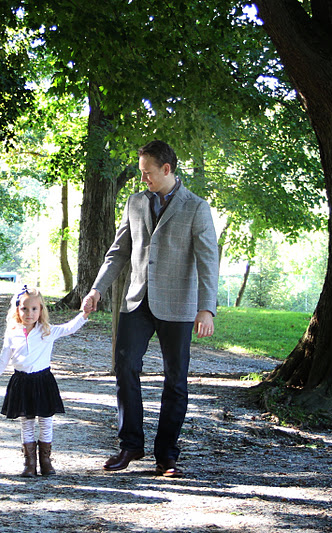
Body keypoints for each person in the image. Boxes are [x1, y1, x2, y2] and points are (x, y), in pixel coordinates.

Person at [82, 139, 219, 478]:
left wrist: (206, 308)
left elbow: (208, 261)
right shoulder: (135, 203)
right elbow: (118, 252)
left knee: (176, 380)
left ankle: (166, 456)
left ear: (166, 169)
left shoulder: (196, 207)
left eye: (147, 173)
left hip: (179, 304)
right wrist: (97, 289)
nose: (143, 178)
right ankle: (130, 445)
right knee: (124, 365)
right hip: (137, 300)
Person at [0, 286, 90, 478]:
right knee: (27, 422)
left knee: (46, 421)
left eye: (34, 309)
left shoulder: (47, 331)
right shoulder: (12, 333)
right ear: (17, 309)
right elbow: (3, 359)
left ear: (41, 310)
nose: (29, 313)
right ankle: (29, 463)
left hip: (43, 382)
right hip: (22, 383)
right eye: (24, 309)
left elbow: (69, 328)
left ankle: (46, 461)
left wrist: (84, 314)